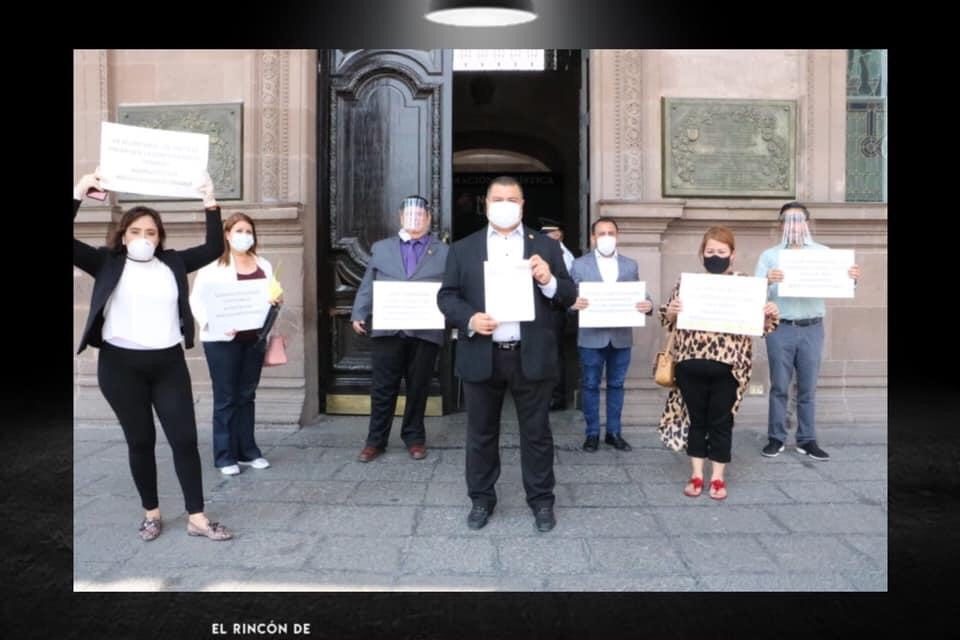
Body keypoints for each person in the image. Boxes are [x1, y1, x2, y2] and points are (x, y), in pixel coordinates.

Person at [73, 169, 232, 541]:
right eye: (135, 232)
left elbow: (213, 249)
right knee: (140, 440)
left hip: (168, 365)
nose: (143, 238)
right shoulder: (106, 262)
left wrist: (210, 201)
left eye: (150, 232)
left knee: (184, 439)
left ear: (159, 237)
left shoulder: (172, 263)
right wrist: (78, 191)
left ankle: (197, 516)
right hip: (120, 366)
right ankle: (151, 512)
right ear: (123, 236)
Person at [437, 176, 577, 533]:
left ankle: (542, 501)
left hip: (531, 355)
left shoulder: (545, 246)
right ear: (486, 203)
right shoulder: (463, 249)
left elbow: (569, 296)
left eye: (511, 198)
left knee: (537, 433)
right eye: (498, 198)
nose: (504, 203)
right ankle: (481, 499)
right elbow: (447, 297)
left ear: (522, 204)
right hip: (482, 354)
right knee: (481, 433)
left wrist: (548, 280)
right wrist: (469, 318)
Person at [658, 226, 779, 500]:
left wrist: (769, 313)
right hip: (690, 363)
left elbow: (760, 326)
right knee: (696, 420)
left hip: (730, 367)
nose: (715, 256)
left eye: (721, 252)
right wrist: (672, 311)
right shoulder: (687, 283)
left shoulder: (746, 283)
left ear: (732, 255)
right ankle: (697, 474)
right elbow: (667, 318)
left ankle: (718, 478)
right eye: (710, 251)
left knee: (721, 421)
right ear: (702, 254)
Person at [755, 202, 862, 461]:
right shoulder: (770, 256)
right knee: (779, 386)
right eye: (788, 220)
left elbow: (843, 285)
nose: (794, 225)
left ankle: (807, 439)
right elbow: (755, 294)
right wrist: (768, 281)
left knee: (808, 387)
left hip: (812, 327)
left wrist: (852, 278)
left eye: (799, 219)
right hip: (780, 327)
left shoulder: (823, 253)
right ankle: (776, 438)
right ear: (780, 224)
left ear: (807, 223)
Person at [351, 196, 449, 462]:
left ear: (429, 218)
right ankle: (375, 440)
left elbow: (452, 290)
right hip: (388, 327)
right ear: (400, 218)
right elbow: (369, 281)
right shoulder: (382, 248)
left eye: (420, 214)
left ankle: (414, 438)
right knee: (383, 387)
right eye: (410, 214)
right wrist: (359, 311)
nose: (415, 219)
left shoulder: (444, 252)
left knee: (419, 387)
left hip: (425, 329)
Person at [189, 212, 282, 476]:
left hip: (253, 339)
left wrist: (275, 300)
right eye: (238, 231)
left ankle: (248, 451)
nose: (244, 236)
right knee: (226, 397)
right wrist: (213, 324)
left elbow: (270, 295)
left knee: (247, 395)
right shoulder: (212, 268)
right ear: (228, 235)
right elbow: (197, 301)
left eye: (248, 231)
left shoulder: (263, 264)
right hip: (222, 340)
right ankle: (224, 455)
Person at [569, 217, 653, 452]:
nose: (607, 237)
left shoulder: (629, 265)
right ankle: (592, 433)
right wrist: (574, 304)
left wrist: (648, 304)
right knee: (590, 384)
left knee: (617, 384)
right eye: (602, 233)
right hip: (590, 337)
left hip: (621, 336)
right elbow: (568, 298)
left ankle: (614, 433)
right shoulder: (579, 265)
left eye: (611, 233)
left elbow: (641, 294)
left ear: (617, 236)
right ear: (593, 238)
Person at [539, 217, 575, 411]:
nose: (553, 238)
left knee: (553, 355)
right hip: (551, 310)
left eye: (554, 234)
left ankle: (556, 396)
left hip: (555, 310)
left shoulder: (562, 253)